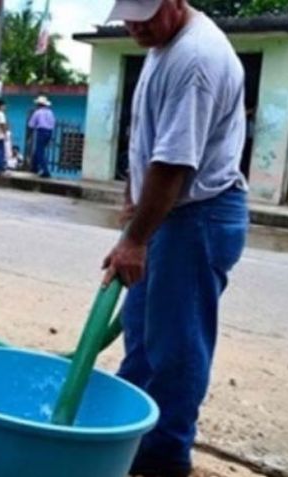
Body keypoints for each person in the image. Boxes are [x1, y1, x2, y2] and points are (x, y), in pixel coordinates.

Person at [101, 1, 249, 476]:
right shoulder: (161, 44)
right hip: (167, 213)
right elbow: (148, 140)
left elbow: (175, 163)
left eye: (146, 12)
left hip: (195, 217)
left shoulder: (195, 59)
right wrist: (132, 206)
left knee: (176, 349)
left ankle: (164, 458)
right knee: (143, 342)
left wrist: (134, 240)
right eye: (129, 14)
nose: (136, 25)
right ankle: (124, 439)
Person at [28, 95, 56, 178]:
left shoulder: (37, 112)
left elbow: (31, 124)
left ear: (39, 104)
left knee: (40, 152)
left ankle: (45, 171)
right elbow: (53, 123)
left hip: (41, 132)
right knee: (39, 150)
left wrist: (29, 136)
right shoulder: (50, 112)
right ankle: (34, 167)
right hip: (49, 132)